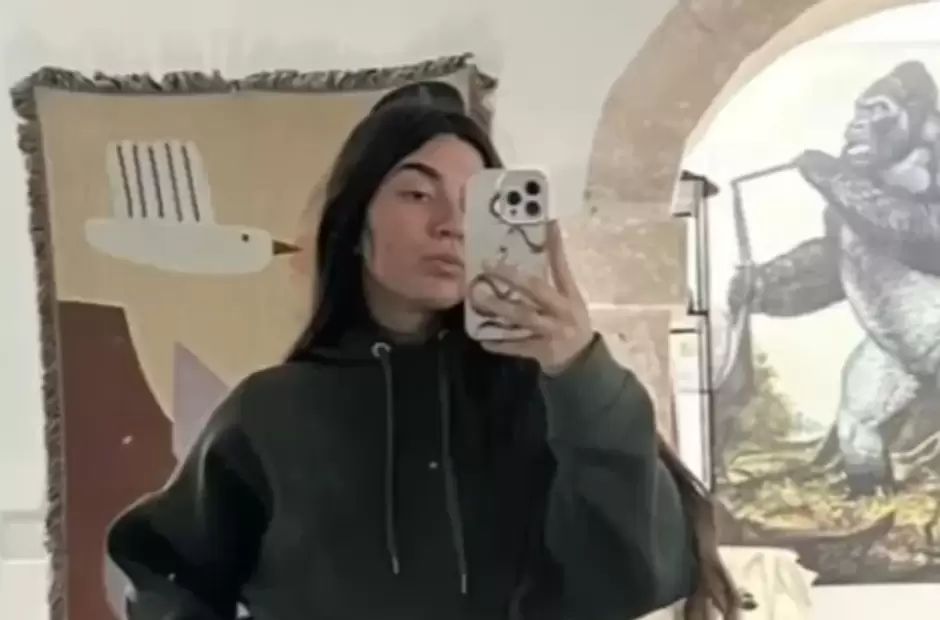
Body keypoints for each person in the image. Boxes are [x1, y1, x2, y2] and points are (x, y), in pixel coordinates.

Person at [107, 97, 741, 620]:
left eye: (475, 203)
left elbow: (638, 577)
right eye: (416, 194)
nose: (451, 225)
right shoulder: (271, 411)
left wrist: (581, 370)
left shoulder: (552, 402)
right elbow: (164, 570)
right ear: (355, 228)